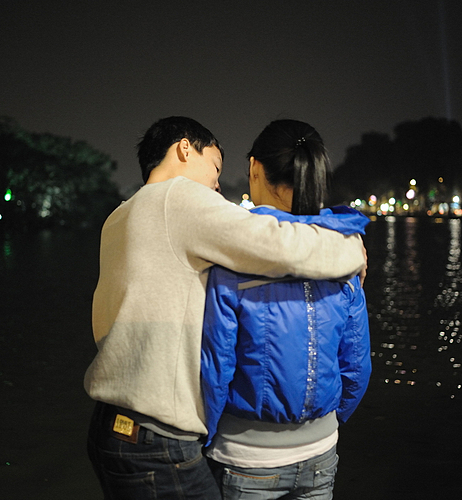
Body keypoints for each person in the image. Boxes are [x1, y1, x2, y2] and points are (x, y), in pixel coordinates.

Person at [84, 116, 366, 500]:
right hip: (156, 436)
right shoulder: (180, 199)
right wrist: (351, 248)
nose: (217, 185)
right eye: (215, 168)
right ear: (185, 148)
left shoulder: (120, 216)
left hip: (112, 426)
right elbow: (278, 244)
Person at [201, 119, 372, 499]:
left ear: (254, 168)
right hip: (321, 452)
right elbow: (357, 364)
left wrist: (207, 437)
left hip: (246, 457)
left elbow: (216, 367)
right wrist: (326, 422)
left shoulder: (233, 255)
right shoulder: (344, 251)